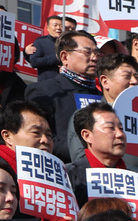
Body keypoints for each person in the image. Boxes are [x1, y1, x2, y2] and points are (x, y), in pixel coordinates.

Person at [65, 102, 138, 205]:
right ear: (87, 135)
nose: (120, 134)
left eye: (121, 128)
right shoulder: (69, 176)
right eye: (110, 128)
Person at [25, 30, 100, 161]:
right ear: (65, 57)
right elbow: (40, 138)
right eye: (87, 52)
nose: (94, 58)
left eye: (96, 53)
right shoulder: (44, 91)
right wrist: (90, 152)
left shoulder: (103, 96)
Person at [26, 14, 64, 80]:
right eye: (55, 25)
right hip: (47, 83)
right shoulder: (40, 42)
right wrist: (56, 58)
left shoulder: (67, 44)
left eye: (61, 26)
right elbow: (34, 62)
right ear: (48, 28)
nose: (58, 28)